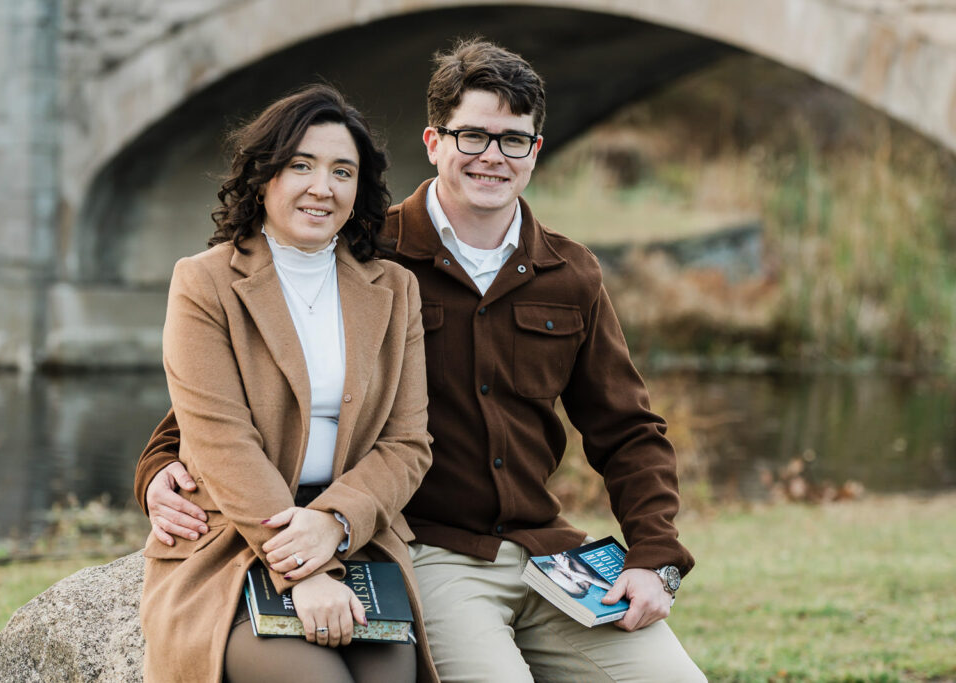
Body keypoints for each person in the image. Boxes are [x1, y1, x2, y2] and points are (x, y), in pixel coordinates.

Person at [137, 40, 706, 681]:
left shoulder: (570, 271)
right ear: (434, 142)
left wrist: (654, 556)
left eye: (513, 140)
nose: (492, 157)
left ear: (535, 152)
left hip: (547, 551)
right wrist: (159, 468)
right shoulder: (366, 252)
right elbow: (240, 393)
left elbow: (627, 428)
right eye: (473, 136)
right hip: (428, 547)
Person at [138, 84, 438, 683]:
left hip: (352, 540)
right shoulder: (204, 283)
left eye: (341, 171)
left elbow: (408, 444)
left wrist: (335, 523)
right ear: (263, 175)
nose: (321, 187)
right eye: (301, 165)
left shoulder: (394, 289)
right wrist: (302, 571)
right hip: (232, 541)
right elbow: (219, 439)